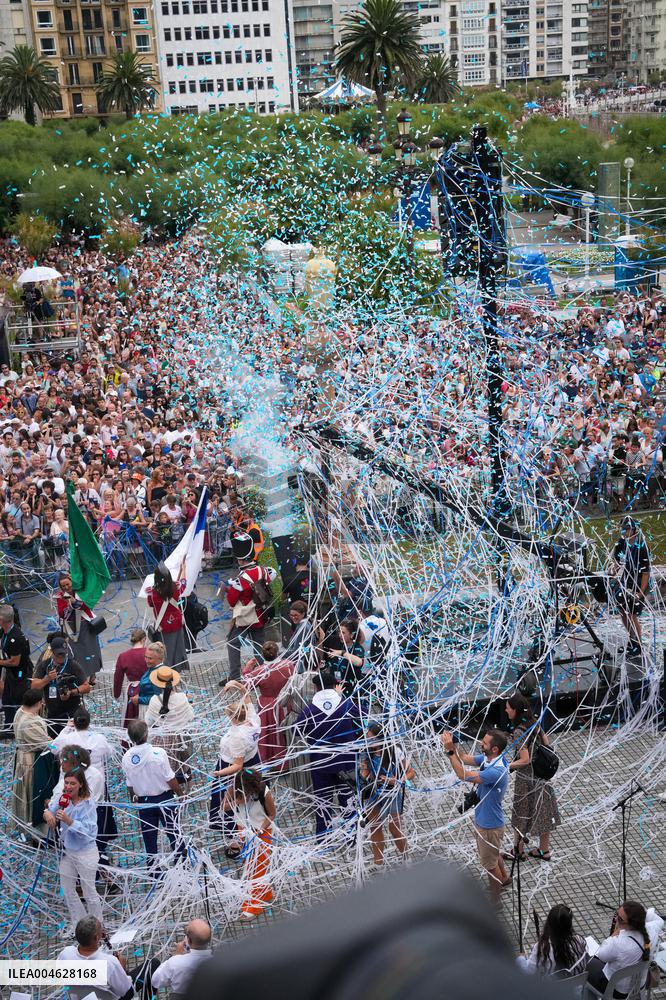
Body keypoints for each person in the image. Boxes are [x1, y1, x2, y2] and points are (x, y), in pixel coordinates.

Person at [441, 728, 511, 898]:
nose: (481, 743)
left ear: (494, 749)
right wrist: (453, 744)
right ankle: (505, 879)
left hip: (489, 826)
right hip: (489, 821)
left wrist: (450, 751)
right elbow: (464, 759)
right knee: (494, 854)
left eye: (485, 743)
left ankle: (496, 898)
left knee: (489, 864)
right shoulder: (489, 760)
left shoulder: (496, 771)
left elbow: (462, 774)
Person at [296, 668, 360, 838]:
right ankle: (351, 836)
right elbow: (363, 713)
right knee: (347, 799)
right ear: (335, 686)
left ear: (317, 688)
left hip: (321, 763)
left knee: (323, 801)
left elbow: (297, 730)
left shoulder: (309, 710)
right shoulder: (345, 703)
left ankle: (323, 836)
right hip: (345, 762)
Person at [50, 707, 116, 868]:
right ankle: (99, 870)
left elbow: (52, 748)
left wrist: (66, 729)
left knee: (72, 836)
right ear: (89, 722)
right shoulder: (99, 739)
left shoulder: (68, 738)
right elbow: (109, 753)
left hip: (72, 799)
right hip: (96, 798)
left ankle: (82, 874)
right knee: (97, 836)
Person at [44, 767, 103, 934]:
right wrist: (47, 813)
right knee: (67, 889)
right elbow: (50, 809)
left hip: (86, 852)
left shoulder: (88, 804)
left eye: (72, 783)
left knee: (89, 891)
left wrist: (70, 821)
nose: (68, 786)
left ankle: (98, 928)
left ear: (81, 785)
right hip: (68, 852)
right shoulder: (63, 799)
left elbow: (89, 832)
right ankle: (79, 924)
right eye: (67, 783)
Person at [505, 693, 560, 862]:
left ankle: (518, 851)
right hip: (541, 774)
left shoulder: (519, 731)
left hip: (526, 779)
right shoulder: (534, 722)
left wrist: (505, 767)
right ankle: (544, 850)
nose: (506, 710)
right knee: (543, 810)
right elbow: (546, 742)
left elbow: (525, 759)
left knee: (522, 812)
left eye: (508, 707)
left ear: (515, 710)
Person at [209, 681, 261, 855]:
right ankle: (248, 830)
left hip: (232, 770)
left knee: (229, 804)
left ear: (232, 718)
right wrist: (237, 685)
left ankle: (235, 840)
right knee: (245, 801)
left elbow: (238, 765)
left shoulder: (238, 736)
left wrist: (219, 772)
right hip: (252, 762)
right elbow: (247, 697)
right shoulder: (253, 719)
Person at [121, 719, 184, 862]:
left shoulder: (126, 758)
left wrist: (133, 797)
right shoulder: (158, 753)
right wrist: (180, 794)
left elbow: (129, 783)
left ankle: (154, 872)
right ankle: (182, 863)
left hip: (145, 803)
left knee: (149, 839)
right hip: (165, 799)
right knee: (174, 833)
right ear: (146, 734)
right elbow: (170, 778)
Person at [221, 532, 277, 681]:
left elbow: (232, 601)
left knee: (233, 643)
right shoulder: (264, 570)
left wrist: (228, 589)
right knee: (259, 645)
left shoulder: (241, 579)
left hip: (245, 617)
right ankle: (262, 672)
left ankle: (234, 676)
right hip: (261, 615)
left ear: (240, 559)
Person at [358, 721, 414, 868]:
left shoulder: (394, 751)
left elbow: (411, 773)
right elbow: (364, 771)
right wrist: (365, 775)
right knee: (375, 827)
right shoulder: (365, 751)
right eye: (367, 738)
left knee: (394, 829)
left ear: (381, 738)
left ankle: (406, 858)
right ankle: (378, 863)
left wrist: (396, 781)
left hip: (391, 794)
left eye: (371, 738)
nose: (368, 741)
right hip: (373, 793)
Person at [223, 769, 276, 920]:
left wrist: (260, 829)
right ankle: (265, 893)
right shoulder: (233, 788)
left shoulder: (263, 792)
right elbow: (223, 807)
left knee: (258, 868)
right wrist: (237, 801)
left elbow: (272, 814)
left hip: (261, 832)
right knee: (250, 866)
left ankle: (254, 906)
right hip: (243, 831)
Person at [587, 900, 664, 996]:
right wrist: (642, 915)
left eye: (620, 918)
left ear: (631, 924)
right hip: (640, 984)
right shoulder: (652, 930)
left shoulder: (618, 943)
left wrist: (614, 935)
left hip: (617, 990)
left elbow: (602, 956)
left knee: (587, 961)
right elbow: (660, 921)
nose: (616, 919)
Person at [11, 688, 58, 836]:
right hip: (31, 762)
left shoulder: (20, 711)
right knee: (33, 794)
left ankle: (26, 829)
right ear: (39, 703)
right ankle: (36, 832)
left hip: (23, 758)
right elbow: (47, 744)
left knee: (26, 794)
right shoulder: (30, 721)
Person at [243, 641, 295, 765]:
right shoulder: (288, 665)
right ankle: (287, 762)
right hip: (285, 703)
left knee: (268, 733)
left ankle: (269, 761)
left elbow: (246, 686)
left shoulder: (259, 671)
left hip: (267, 706)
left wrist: (247, 669)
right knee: (283, 732)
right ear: (277, 653)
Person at [57, 917, 134, 1000]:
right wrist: (122, 968)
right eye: (101, 929)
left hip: (77, 997)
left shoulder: (65, 954)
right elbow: (127, 993)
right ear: (97, 938)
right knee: (148, 966)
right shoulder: (109, 963)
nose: (103, 931)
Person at [31, 634, 91, 736]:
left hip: (72, 712)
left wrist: (72, 692)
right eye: (58, 654)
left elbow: (87, 686)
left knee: (72, 743)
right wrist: (47, 679)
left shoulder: (73, 665)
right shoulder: (44, 665)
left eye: (63, 654)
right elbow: (33, 686)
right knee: (55, 744)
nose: (61, 657)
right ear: (52, 653)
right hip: (53, 714)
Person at [144, 665, 194, 783]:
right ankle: (183, 790)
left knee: (164, 766)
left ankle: (167, 788)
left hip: (162, 740)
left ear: (157, 683)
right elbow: (190, 717)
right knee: (182, 764)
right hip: (181, 739)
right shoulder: (182, 697)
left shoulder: (155, 700)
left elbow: (148, 721)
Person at [613, 517, 651, 657]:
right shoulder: (622, 542)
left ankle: (638, 644)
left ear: (634, 529)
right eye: (623, 529)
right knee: (623, 610)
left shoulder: (642, 546)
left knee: (632, 613)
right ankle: (632, 640)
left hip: (639, 582)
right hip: (626, 581)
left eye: (627, 529)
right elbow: (618, 561)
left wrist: (640, 593)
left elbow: (646, 573)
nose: (625, 531)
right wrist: (613, 570)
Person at [517, 904, 588, 977]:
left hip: (548, 987)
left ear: (549, 924)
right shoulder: (578, 940)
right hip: (575, 987)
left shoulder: (542, 948)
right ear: (569, 925)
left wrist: (521, 959)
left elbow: (529, 972)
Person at [56, 572, 103, 676]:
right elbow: (61, 614)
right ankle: (81, 675)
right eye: (63, 586)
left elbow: (87, 606)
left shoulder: (81, 592)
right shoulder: (60, 596)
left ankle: (93, 674)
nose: (66, 587)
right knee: (76, 654)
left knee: (91, 650)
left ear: (72, 582)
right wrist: (68, 605)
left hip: (85, 625)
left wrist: (74, 601)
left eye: (68, 584)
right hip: (71, 629)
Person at [150, 919, 213, 996]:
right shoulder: (218, 963)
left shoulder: (175, 963)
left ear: (189, 941)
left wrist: (176, 955)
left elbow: (155, 981)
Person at [146, 560, 189, 670]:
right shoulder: (176, 587)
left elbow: (151, 605)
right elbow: (184, 583)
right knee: (178, 648)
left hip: (163, 626)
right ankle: (177, 670)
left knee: (165, 652)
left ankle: (165, 672)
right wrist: (183, 569)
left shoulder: (152, 593)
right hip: (177, 623)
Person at [0, 602, 33, 734]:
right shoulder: (4, 631)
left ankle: (21, 729)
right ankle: (8, 727)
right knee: (7, 699)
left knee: (17, 700)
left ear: (2, 620)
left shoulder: (16, 637)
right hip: (10, 673)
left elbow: (14, 662)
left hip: (20, 673)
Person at [113, 628, 149, 724]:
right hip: (149, 689)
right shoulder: (149, 653)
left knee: (133, 718)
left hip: (133, 692)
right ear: (143, 639)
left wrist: (116, 694)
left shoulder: (123, 656)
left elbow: (118, 678)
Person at [283, 600, 318, 674]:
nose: (293, 617)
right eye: (291, 615)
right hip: (302, 663)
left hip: (300, 668)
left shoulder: (303, 628)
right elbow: (306, 648)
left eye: (296, 615)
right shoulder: (304, 625)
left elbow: (297, 651)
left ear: (303, 614)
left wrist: (279, 654)